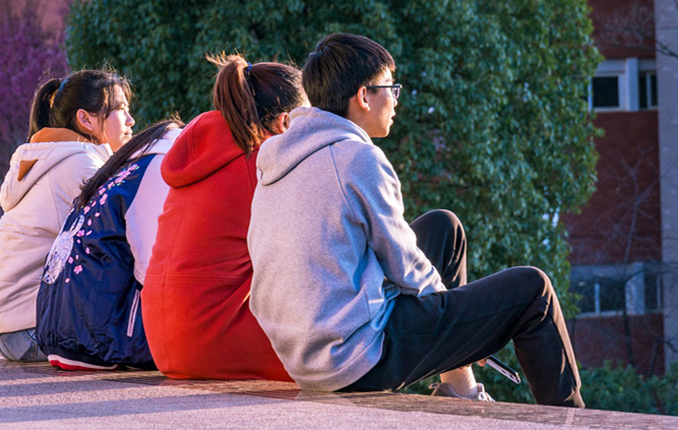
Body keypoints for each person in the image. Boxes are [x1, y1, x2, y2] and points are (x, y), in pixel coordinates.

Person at [247, 33, 584, 407]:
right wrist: (460, 323)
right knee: (533, 290)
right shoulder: (356, 159)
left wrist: (450, 318)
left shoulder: (279, 158)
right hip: (357, 359)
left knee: (443, 228)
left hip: (305, 353)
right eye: (391, 88)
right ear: (363, 96)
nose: (395, 100)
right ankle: (572, 420)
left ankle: (459, 389)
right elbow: (403, 263)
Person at [141, 54, 306, 381]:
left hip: (164, 338)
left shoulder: (203, 152)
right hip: (213, 338)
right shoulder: (263, 163)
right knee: (339, 345)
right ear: (285, 122)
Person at [0, 69, 136, 362]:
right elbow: (125, 244)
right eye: (120, 110)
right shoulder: (81, 166)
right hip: (32, 329)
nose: (131, 121)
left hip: (12, 328)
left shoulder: (53, 158)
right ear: (85, 119)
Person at [36, 119, 183, 370]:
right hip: (104, 343)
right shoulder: (158, 166)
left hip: (60, 337)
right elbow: (151, 269)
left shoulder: (121, 169)